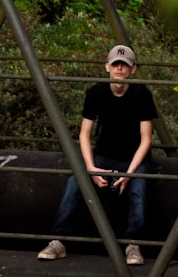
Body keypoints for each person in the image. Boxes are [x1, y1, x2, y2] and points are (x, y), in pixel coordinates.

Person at [38, 44, 158, 265]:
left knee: (139, 188)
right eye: (115, 64)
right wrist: (91, 168)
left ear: (133, 69)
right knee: (76, 182)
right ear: (107, 67)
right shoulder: (96, 93)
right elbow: (84, 135)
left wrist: (130, 174)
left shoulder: (142, 94)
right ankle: (58, 241)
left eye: (124, 65)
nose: (119, 69)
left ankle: (133, 245)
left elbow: (146, 139)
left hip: (133, 159)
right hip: (103, 156)